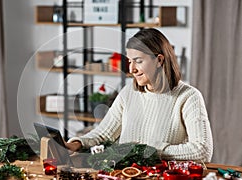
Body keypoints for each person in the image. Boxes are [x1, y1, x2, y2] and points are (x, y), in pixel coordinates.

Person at [65, 28, 213, 162]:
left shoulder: (189, 97)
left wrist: (151, 151)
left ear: (159, 60)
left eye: (138, 61)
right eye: (130, 61)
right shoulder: (129, 92)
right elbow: (103, 135)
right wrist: (76, 144)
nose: (132, 69)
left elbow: (202, 151)